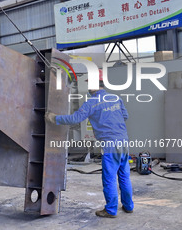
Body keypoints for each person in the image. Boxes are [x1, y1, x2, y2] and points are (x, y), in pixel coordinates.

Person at [45, 69, 134, 218]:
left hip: (110, 145)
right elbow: (125, 115)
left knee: (109, 178)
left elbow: (74, 119)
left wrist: (54, 118)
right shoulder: (116, 98)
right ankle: (129, 206)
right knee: (124, 176)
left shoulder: (91, 103)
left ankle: (111, 210)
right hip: (124, 142)